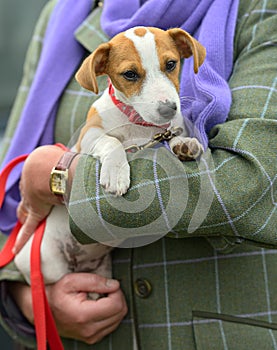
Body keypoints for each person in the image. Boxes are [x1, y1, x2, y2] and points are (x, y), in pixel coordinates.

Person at [0, 0, 276, 349]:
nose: (162, 98)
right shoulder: (62, 12)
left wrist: (62, 178)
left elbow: (245, 180)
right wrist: (30, 299)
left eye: (171, 67)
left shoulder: (261, 8)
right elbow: (11, 193)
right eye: (132, 75)